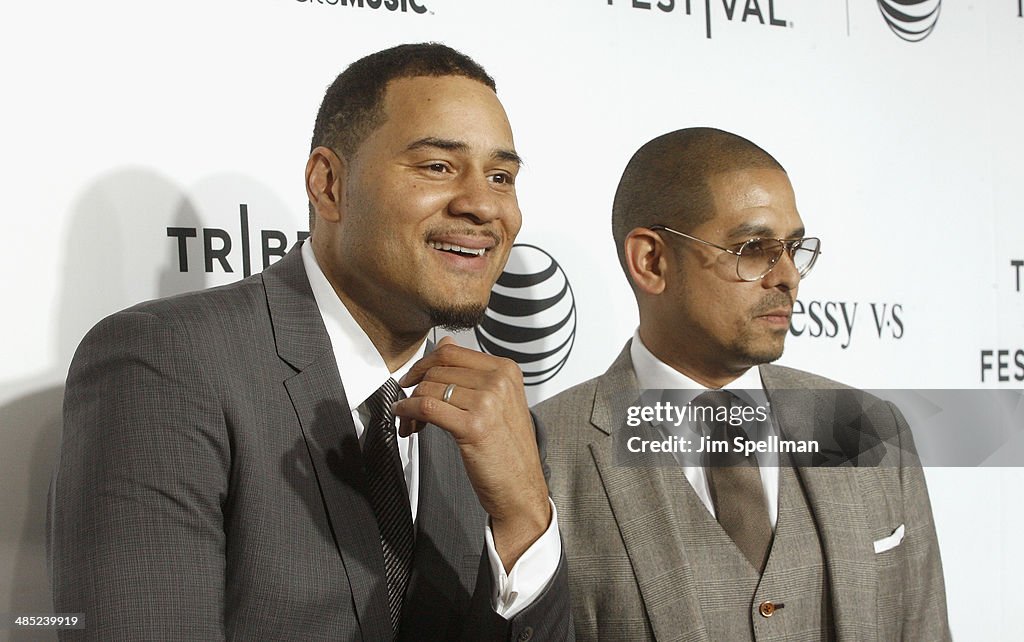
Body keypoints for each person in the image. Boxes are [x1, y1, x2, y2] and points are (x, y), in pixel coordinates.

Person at [49, 43, 571, 641]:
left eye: (501, 177)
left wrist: (527, 517)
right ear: (329, 185)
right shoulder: (166, 364)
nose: (482, 204)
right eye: (437, 166)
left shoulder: (503, 425)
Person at [533, 127, 949, 641]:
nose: (789, 276)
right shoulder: (542, 453)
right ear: (651, 261)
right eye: (754, 248)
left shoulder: (865, 429)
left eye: (794, 248)